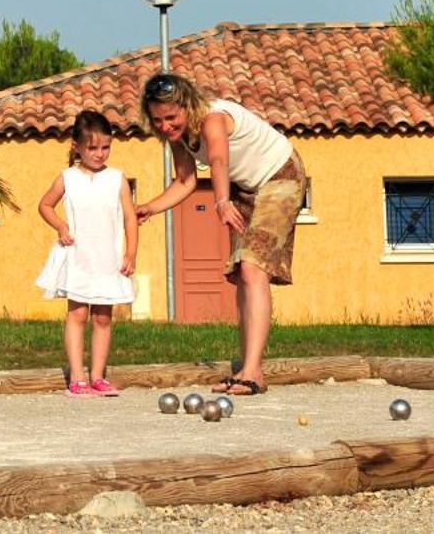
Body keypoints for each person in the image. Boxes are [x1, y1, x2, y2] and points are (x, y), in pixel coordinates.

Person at [134, 71, 305, 396]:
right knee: (243, 273)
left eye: (171, 118)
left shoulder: (213, 118)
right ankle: (246, 366)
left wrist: (223, 201)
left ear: (188, 105)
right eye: (158, 121)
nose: (166, 127)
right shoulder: (178, 136)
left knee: (254, 266)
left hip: (281, 175)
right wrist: (151, 208)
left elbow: (217, 160)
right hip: (244, 187)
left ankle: (254, 372)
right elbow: (185, 181)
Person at [34, 109, 138, 396]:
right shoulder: (67, 177)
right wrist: (60, 225)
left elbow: (130, 217)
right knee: (77, 315)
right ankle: (77, 376)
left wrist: (131, 252)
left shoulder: (117, 179)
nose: (99, 153)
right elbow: (45, 205)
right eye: (92, 147)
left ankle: (98, 376)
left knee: (103, 317)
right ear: (76, 146)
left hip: (108, 258)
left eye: (105, 147)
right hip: (79, 257)